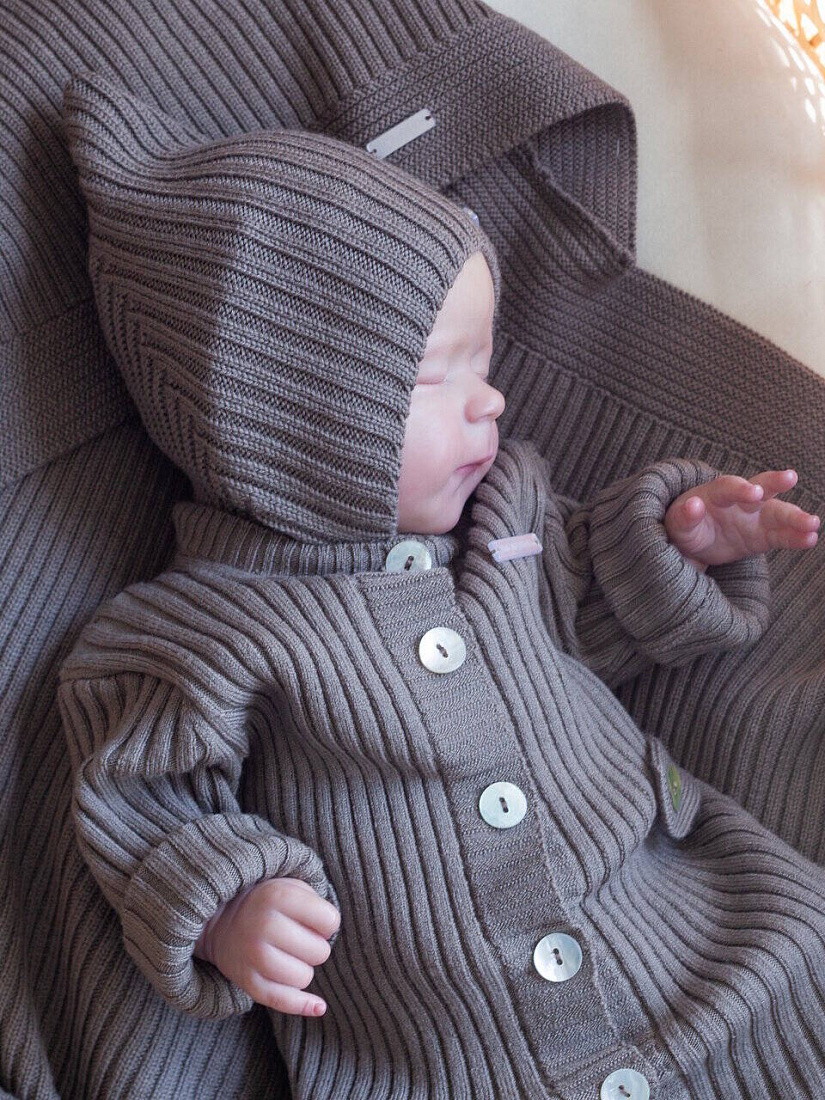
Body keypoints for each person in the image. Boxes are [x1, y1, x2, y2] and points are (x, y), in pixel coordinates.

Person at [59, 73, 825, 1099]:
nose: (491, 402)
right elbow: (144, 797)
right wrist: (230, 903)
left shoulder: (507, 518)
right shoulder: (205, 629)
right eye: (439, 376)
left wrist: (677, 545)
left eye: (485, 362)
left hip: (712, 949)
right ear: (289, 421)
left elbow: (589, 609)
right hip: (463, 1055)